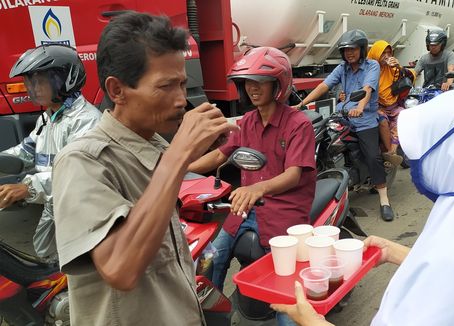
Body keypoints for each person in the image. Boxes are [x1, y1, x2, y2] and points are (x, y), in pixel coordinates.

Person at [52, 12, 238, 325]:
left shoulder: (154, 148)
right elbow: (120, 269)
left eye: (182, 83)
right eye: (165, 86)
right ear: (117, 91)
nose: (181, 100)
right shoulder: (83, 161)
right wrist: (177, 156)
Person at [272, 87, 454, 325]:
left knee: (373, 157)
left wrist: (312, 321)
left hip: (365, 121)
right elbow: (452, 275)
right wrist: (392, 251)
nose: (416, 160)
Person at [188, 46, 317, 291]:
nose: (252, 88)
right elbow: (219, 155)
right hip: (244, 210)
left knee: (285, 286)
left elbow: (293, 175)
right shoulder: (247, 121)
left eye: (260, 81)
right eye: (247, 82)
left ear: (278, 84)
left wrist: (257, 188)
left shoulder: (298, 124)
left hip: (283, 212)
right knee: (209, 260)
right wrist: (179, 168)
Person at [0, 44, 101, 262]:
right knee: (49, 262)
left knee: (78, 266)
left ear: (63, 79)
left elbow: (77, 174)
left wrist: (27, 187)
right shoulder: (48, 118)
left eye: (39, 81)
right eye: (29, 82)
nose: (33, 88)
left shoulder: (86, 121)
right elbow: (26, 152)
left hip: (80, 212)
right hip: (54, 208)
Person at [297, 29, 394, 222]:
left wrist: (360, 106)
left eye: (353, 49)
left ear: (362, 49)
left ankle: (384, 199)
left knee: (373, 156)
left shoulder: (372, 66)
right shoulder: (342, 68)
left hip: (364, 118)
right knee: (323, 141)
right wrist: (300, 104)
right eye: (346, 50)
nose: (349, 53)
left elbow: (367, 88)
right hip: (343, 115)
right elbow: (324, 86)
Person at [367, 40, 416, 164]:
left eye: (389, 53)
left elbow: (411, 76)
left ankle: (392, 152)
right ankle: (389, 151)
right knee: (382, 120)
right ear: (376, 53)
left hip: (393, 105)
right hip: (376, 106)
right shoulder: (369, 69)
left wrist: (399, 68)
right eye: (383, 53)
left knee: (403, 117)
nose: (387, 56)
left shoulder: (393, 68)